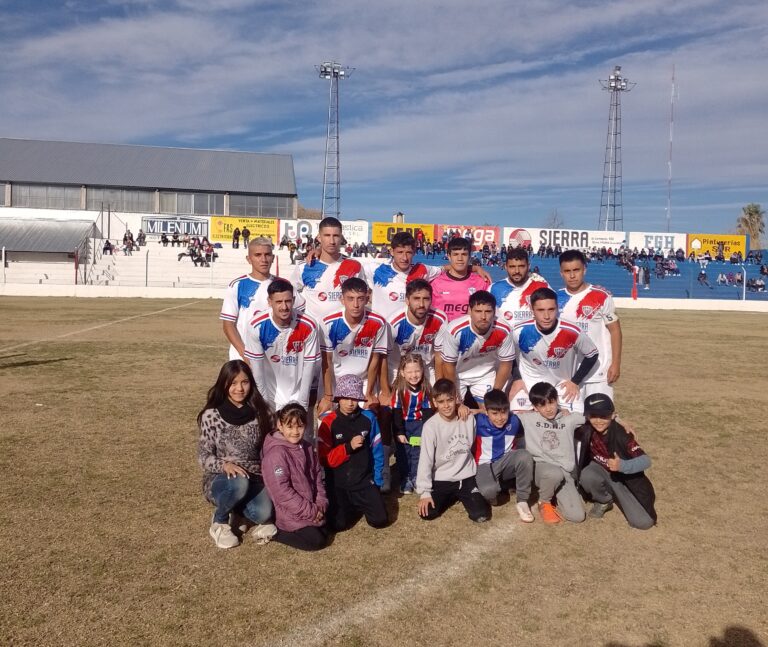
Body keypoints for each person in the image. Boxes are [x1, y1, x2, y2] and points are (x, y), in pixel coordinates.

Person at [197, 360, 277, 549]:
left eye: (244, 382)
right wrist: (224, 465)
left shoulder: (263, 413)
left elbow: (271, 448)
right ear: (223, 384)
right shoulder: (211, 415)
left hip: (254, 478)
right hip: (222, 479)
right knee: (239, 483)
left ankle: (238, 512)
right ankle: (220, 521)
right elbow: (203, 456)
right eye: (233, 383)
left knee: (264, 514)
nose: (239, 388)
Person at [316, 375, 388, 531]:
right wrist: (348, 448)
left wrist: (377, 481)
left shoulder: (369, 418)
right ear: (338, 398)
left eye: (354, 398)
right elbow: (324, 459)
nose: (350, 403)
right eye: (346, 398)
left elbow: (377, 451)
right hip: (339, 484)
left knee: (380, 520)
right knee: (338, 525)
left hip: (364, 481)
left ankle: (362, 502)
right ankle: (349, 506)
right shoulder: (328, 422)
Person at [575, 393, 657, 529]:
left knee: (643, 523)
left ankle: (621, 495)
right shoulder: (586, 428)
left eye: (604, 416)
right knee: (586, 474)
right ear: (587, 416)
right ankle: (604, 500)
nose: (598, 420)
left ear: (613, 415)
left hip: (624, 479)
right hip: (601, 470)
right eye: (593, 416)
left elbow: (646, 460)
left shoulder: (622, 434)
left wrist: (623, 465)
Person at [511, 287, 599, 413]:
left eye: (551, 309)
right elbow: (508, 355)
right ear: (532, 310)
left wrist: (575, 381)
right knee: (516, 420)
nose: (546, 316)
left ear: (557, 308)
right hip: (528, 385)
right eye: (540, 310)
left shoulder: (571, 331)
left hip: (563, 387)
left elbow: (592, 354)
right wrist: (517, 378)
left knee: (577, 421)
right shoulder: (519, 330)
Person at [416, 378, 490, 523]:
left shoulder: (468, 418)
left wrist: (464, 406)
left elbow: (486, 414)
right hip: (442, 478)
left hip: (465, 476)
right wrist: (425, 492)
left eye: (450, 400)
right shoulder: (430, 426)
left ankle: (464, 494)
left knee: (481, 515)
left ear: (456, 398)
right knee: (428, 513)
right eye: (441, 402)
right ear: (434, 402)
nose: (446, 406)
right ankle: (452, 495)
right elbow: (426, 460)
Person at [220, 237, 304, 361]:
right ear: (249, 259)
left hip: (275, 360)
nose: (263, 259)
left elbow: (300, 317)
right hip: (244, 359)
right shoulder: (237, 285)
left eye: (267, 254)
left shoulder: (284, 285)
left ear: (273, 258)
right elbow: (228, 325)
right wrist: (245, 355)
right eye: (258, 255)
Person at [243, 279, 320, 411]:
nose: (284, 307)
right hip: (269, 394)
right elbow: (257, 370)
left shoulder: (309, 325)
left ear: (294, 300)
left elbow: (309, 367)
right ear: (269, 302)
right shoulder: (256, 326)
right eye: (278, 302)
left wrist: (302, 404)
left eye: (288, 301)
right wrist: (264, 404)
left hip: (298, 395)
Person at [261, 403, 329, 550]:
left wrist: (320, 504)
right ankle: (276, 533)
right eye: (290, 427)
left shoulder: (307, 447)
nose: (295, 432)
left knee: (329, 529)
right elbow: (282, 493)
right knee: (317, 542)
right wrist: (311, 511)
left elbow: (317, 477)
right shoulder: (276, 455)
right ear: (280, 426)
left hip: (311, 506)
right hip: (290, 512)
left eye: (300, 426)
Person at [516, 382, 586, 524]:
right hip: (541, 468)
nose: (548, 409)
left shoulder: (569, 418)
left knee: (577, 516)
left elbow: (597, 417)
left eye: (551, 402)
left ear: (557, 400)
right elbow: (500, 415)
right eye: (542, 405)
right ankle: (544, 502)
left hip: (564, 472)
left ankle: (554, 491)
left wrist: (620, 421)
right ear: (535, 407)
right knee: (554, 474)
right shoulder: (528, 418)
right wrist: (474, 410)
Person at [317, 277, 389, 414]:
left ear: (367, 299)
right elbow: (327, 360)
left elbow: (375, 359)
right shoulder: (328, 322)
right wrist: (328, 396)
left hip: (363, 381)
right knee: (328, 422)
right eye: (350, 298)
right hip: (335, 381)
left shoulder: (378, 322)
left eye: (360, 298)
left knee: (367, 420)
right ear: (342, 299)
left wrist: (369, 393)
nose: (356, 304)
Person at [557, 250, 622, 398]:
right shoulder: (556, 298)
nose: (572, 275)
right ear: (561, 273)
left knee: (599, 413)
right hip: (568, 375)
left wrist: (616, 363)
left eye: (576, 270)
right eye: (567, 271)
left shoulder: (601, 296)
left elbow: (615, 331)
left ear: (584, 270)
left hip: (599, 373)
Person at [438, 290, 515, 407]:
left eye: (488, 311)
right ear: (469, 311)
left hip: (485, 375)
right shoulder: (455, 330)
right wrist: (454, 394)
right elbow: (448, 365)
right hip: (458, 375)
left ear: (494, 312)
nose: (483, 317)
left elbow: (506, 364)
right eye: (478, 311)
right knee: (454, 410)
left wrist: (495, 393)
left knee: (492, 410)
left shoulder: (504, 330)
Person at [473, 389, 535, 522]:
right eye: (494, 413)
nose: (500, 418)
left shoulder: (515, 421)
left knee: (524, 456)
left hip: (506, 462)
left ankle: (522, 500)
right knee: (489, 492)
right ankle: (497, 488)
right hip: (485, 464)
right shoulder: (477, 421)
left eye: (503, 412)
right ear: (486, 412)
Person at [291, 217, 366, 323]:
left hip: (344, 330)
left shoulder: (354, 266)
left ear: (341, 238)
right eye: (327, 235)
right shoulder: (305, 266)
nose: (332, 241)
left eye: (336, 236)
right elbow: (290, 293)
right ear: (319, 237)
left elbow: (364, 295)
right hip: (315, 330)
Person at [391, 353, 435, 495]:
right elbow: (396, 412)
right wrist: (399, 432)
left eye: (417, 371)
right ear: (402, 373)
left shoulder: (425, 389)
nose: (414, 375)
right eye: (409, 372)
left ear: (422, 371)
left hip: (418, 425)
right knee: (404, 453)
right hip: (403, 425)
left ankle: (417, 477)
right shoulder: (399, 389)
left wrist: (426, 429)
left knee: (417, 452)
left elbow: (427, 410)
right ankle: (405, 478)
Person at [429, 237, 490, 322]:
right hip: (442, 330)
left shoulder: (482, 282)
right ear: (449, 256)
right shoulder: (435, 283)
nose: (460, 258)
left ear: (469, 256)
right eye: (455, 254)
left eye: (464, 254)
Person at [490, 247, 550, 326]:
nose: (517, 271)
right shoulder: (494, 289)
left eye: (521, 266)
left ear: (528, 266)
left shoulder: (542, 287)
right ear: (505, 267)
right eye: (512, 267)